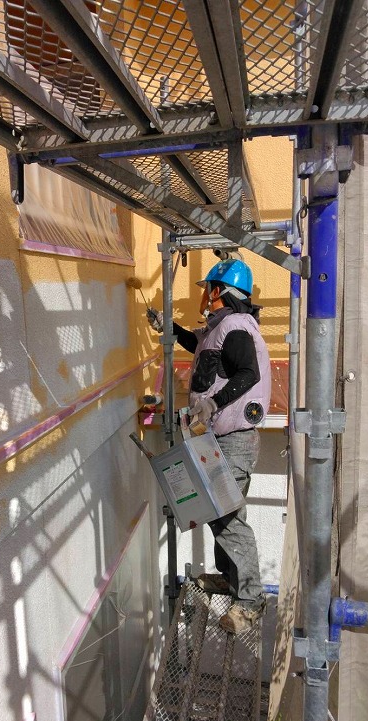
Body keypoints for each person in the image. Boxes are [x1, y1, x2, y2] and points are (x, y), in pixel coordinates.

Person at [147, 257, 271, 633]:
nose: (205, 295)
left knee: (226, 516)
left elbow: (248, 372)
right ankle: (233, 580)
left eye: (208, 289)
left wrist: (215, 403)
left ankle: (251, 601)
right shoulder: (221, 327)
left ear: (219, 290)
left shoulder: (234, 327)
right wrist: (169, 327)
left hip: (233, 441)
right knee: (220, 514)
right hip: (220, 440)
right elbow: (200, 346)